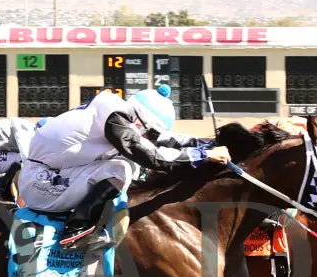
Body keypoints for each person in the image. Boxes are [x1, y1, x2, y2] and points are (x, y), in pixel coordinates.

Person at [20, 84, 230, 249]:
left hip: (55, 174)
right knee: (122, 167)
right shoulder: (114, 117)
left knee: (124, 165)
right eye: (151, 133)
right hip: (40, 184)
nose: (151, 138)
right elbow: (152, 156)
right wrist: (204, 155)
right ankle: (76, 229)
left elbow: (166, 140)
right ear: (139, 122)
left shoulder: (119, 114)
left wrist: (206, 145)